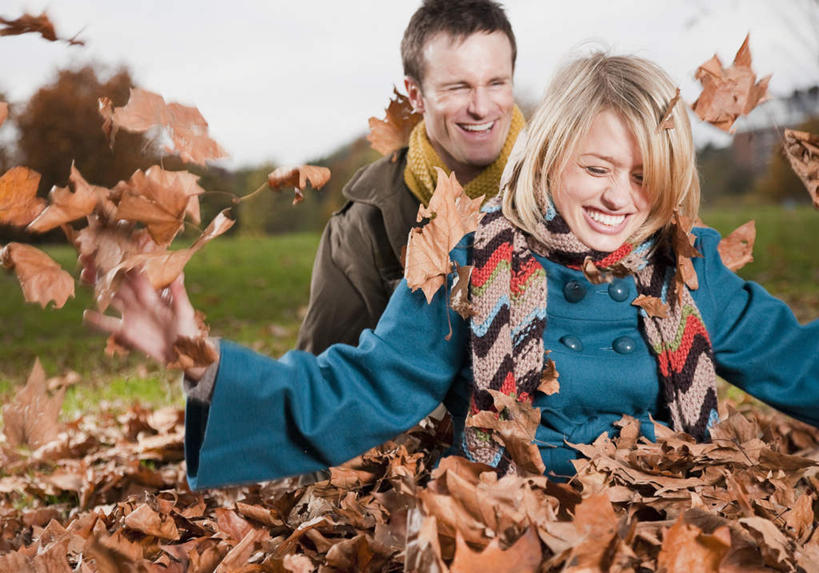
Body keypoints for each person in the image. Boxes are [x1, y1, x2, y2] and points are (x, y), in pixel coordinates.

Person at [85, 52, 819, 489]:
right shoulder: (472, 262)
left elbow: (795, 360)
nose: (617, 198)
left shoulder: (688, 268)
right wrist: (208, 367)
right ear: (549, 158)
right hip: (506, 516)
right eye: (596, 168)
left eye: (642, 175)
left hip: (660, 508)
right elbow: (364, 386)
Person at [296, 0, 525, 354]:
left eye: (496, 83)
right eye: (458, 87)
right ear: (416, 95)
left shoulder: (567, 190)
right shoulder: (364, 225)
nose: (481, 107)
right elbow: (326, 371)